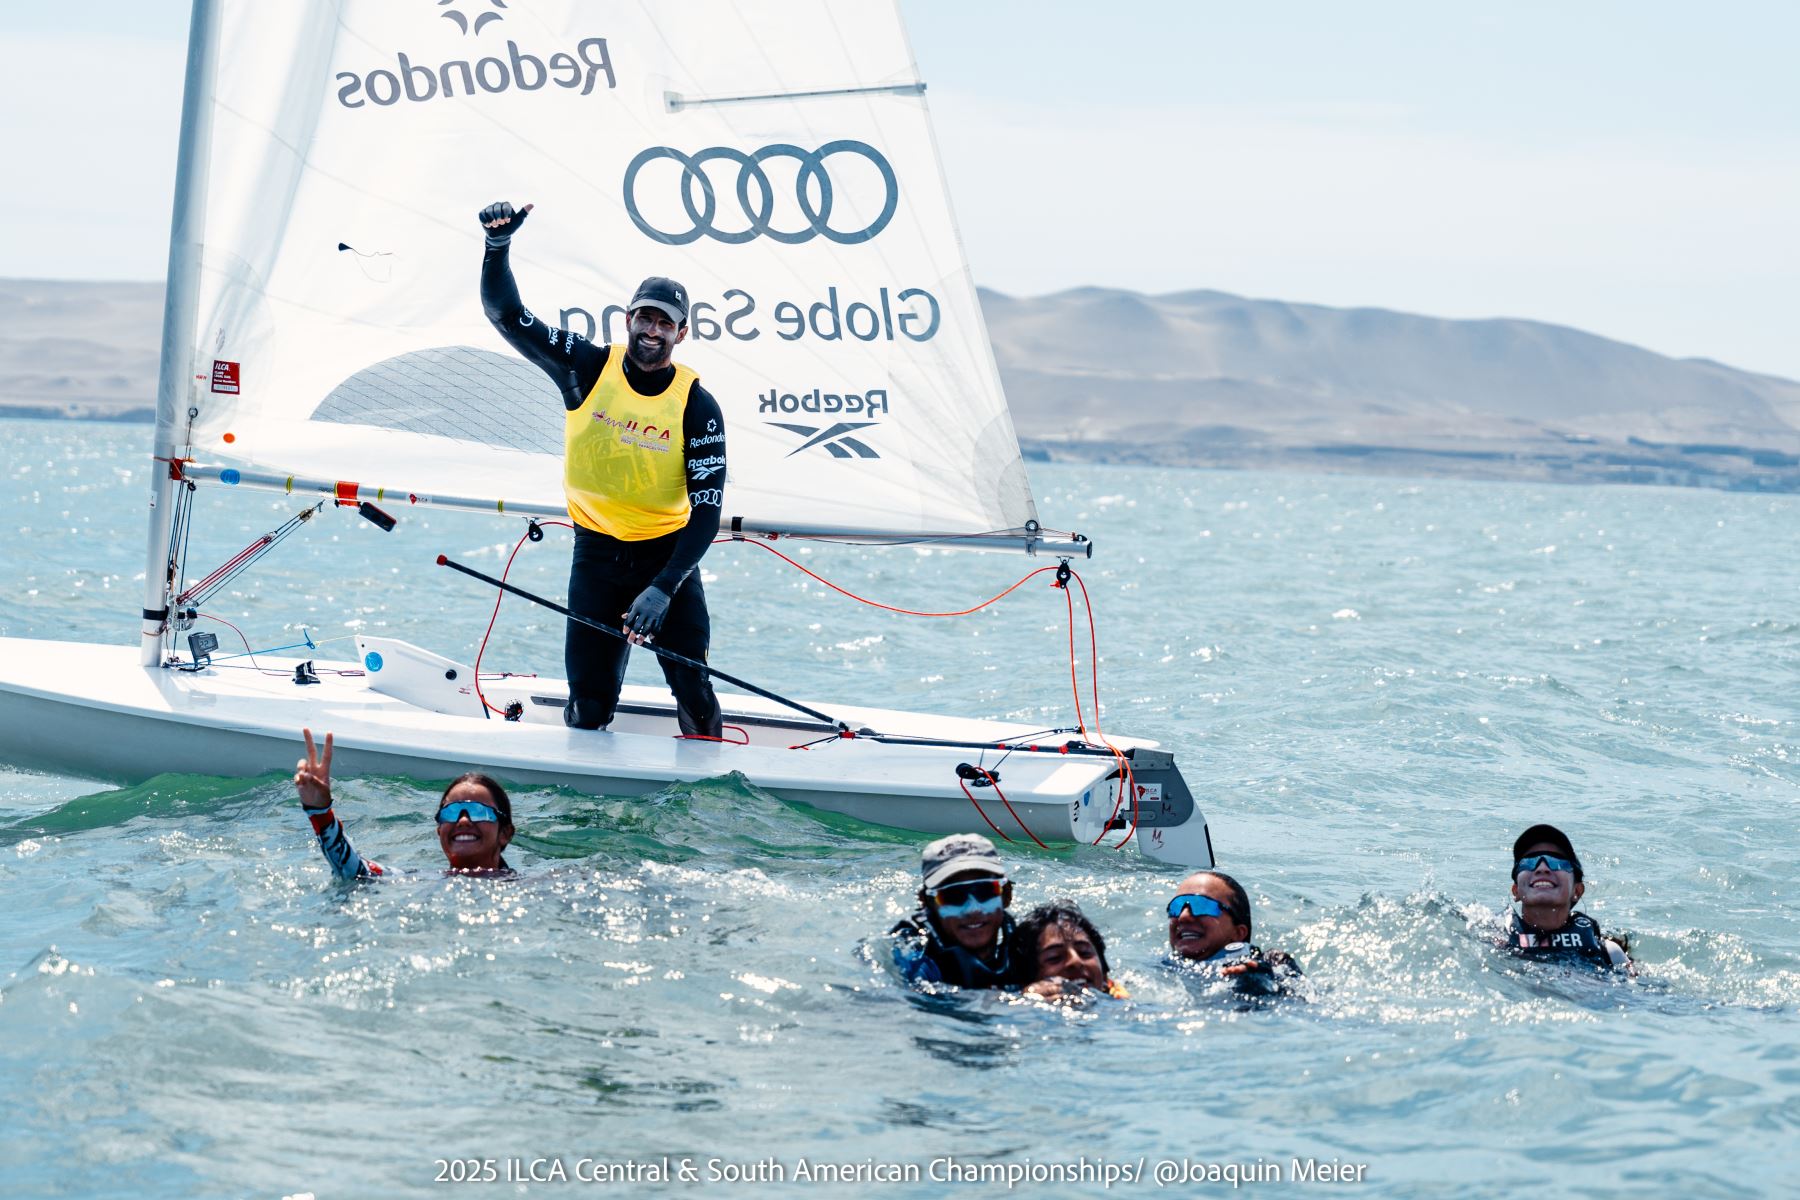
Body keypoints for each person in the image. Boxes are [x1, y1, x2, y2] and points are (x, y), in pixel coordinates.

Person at [477, 200, 725, 737]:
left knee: (694, 691)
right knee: (588, 705)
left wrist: (663, 588)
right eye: (645, 317)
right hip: (595, 557)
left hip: (667, 559)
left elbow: (707, 513)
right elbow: (506, 316)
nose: (652, 329)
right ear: (628, 319)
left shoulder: (696, 405)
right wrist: (497, 247)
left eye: (666, 321)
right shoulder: (586, 366)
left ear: (681, 333)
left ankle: (710, 786)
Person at [293, 728, 516, 878]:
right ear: (439, 830)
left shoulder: (539, 887)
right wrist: (319, 811)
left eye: (479, 811)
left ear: (505, 833)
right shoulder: (419, 883)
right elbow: (356, 870)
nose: (464, 820)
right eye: (451, 812)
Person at [889, 834, 1021, 989]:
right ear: (927, 903)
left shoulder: (1031, 945)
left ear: (1006, 895)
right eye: (953, 896)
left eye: (985, 891)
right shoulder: (911, 957)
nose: (973, 909)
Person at [1507, 823, 1631, 971]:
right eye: (1529, 861)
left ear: (1577, 891)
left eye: (1557, 862)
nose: (1542, 868)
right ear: (1516, 891)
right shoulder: (1495, 938)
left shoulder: (1610, 954)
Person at [1163, 870, 1303, 993]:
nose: (1183, 916)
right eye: (1176, 907)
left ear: (1238, 933)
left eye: (1203, 906)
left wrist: (1265, 986)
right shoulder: (1162, 966)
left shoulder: (1272, 964)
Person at [1013, 902, 1129, 1001]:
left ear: (1103, 973)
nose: (1075, 961)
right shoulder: (1021, 1006)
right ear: (1028, 979)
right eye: (1055, 957)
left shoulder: (1123, 1007)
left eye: (1084, 953)